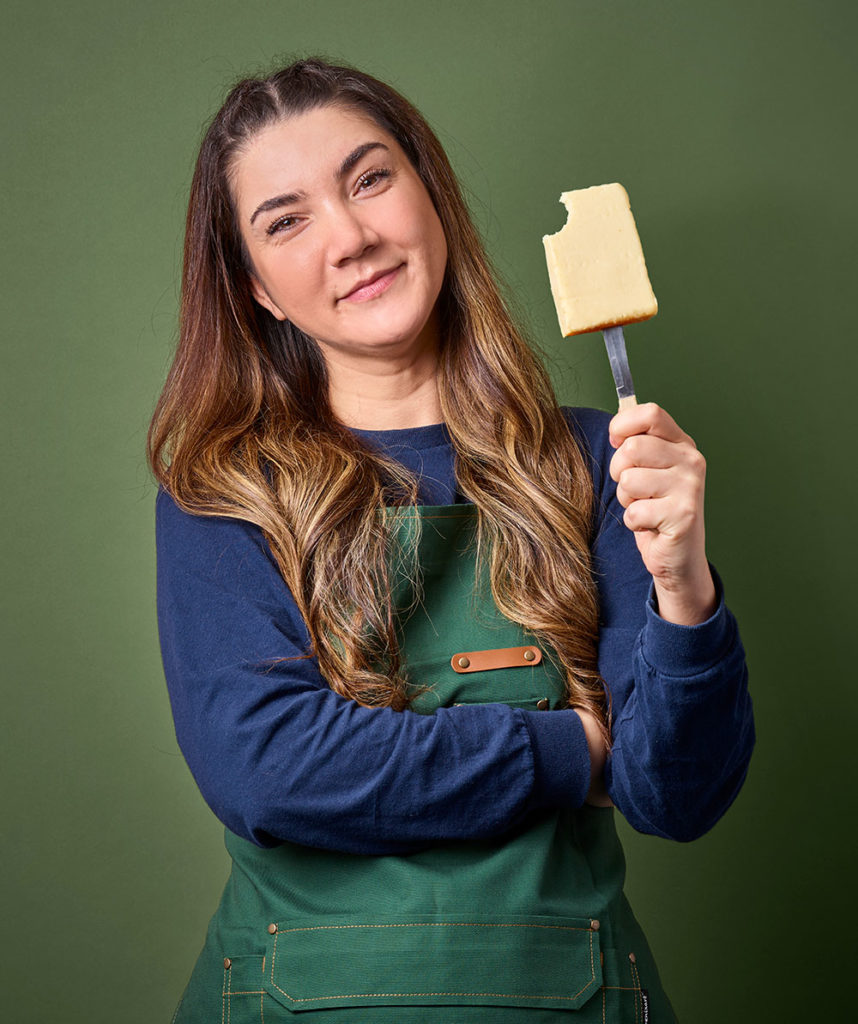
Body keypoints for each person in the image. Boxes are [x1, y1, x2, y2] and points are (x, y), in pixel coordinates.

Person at [150, 58, 754, 1023]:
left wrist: (684, 588)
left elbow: (674, 796)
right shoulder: (221, 493)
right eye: (287, 220)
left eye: (371, 178)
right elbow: (267, 767)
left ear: (430, 193)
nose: (351, 237)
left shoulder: (597, 461)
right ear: (257, 288)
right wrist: (570, 750)